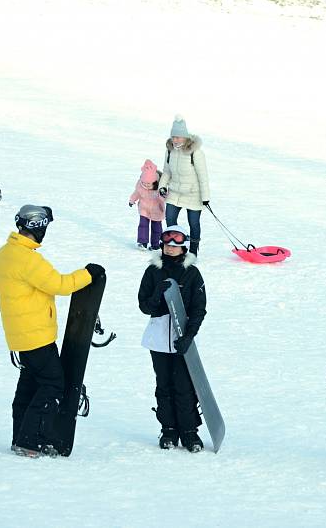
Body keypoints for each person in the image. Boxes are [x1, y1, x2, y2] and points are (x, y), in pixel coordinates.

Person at [0, 204, 104, 458]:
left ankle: (20, 437)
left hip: (19, 334)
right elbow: (60, 285)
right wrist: (88, 274)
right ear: (37, 227)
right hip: (36, 334)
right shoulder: (28, 259)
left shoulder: (5, 253)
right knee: (53, 384)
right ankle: (31, 440)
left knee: (29, 385)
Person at [137, 224, 207, 452]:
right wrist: (157, 295)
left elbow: (199, 308)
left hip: (182, 338)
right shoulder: (152, 271)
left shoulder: (192, 273)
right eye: (167, 244)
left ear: (183, 247)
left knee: (184, 386)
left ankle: (189, 431)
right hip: (158, 339)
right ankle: (168, 429)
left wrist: (189, 336)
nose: (170, 248)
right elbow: (144, 306)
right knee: (164, 385)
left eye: (175, 245)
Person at [159, 115, 210, 257]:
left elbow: (203, 176)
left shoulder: (196, 153)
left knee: (193, 223)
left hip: (193, 193)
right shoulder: (170, 151)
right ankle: (172, 247)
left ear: (185, 137)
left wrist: (205, 198)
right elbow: (167, 171)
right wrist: (162, 186)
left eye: (178, 137)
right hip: (175, 192)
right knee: (169, 218)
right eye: (173, 137)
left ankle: (193, 251)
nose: (175, 140)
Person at [129, 159, 166, 250]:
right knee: (143, 225)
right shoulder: (140, 184)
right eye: (144, 183)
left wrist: (163, 197)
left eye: (148, 184)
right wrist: (132, 200)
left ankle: (156, 244)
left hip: (157, 210)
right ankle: (143, 242)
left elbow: (164, 199)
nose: (146, 185)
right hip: (144, 209)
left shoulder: (160, 187)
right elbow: (137, 193)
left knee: (156, 228)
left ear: (154, 182)